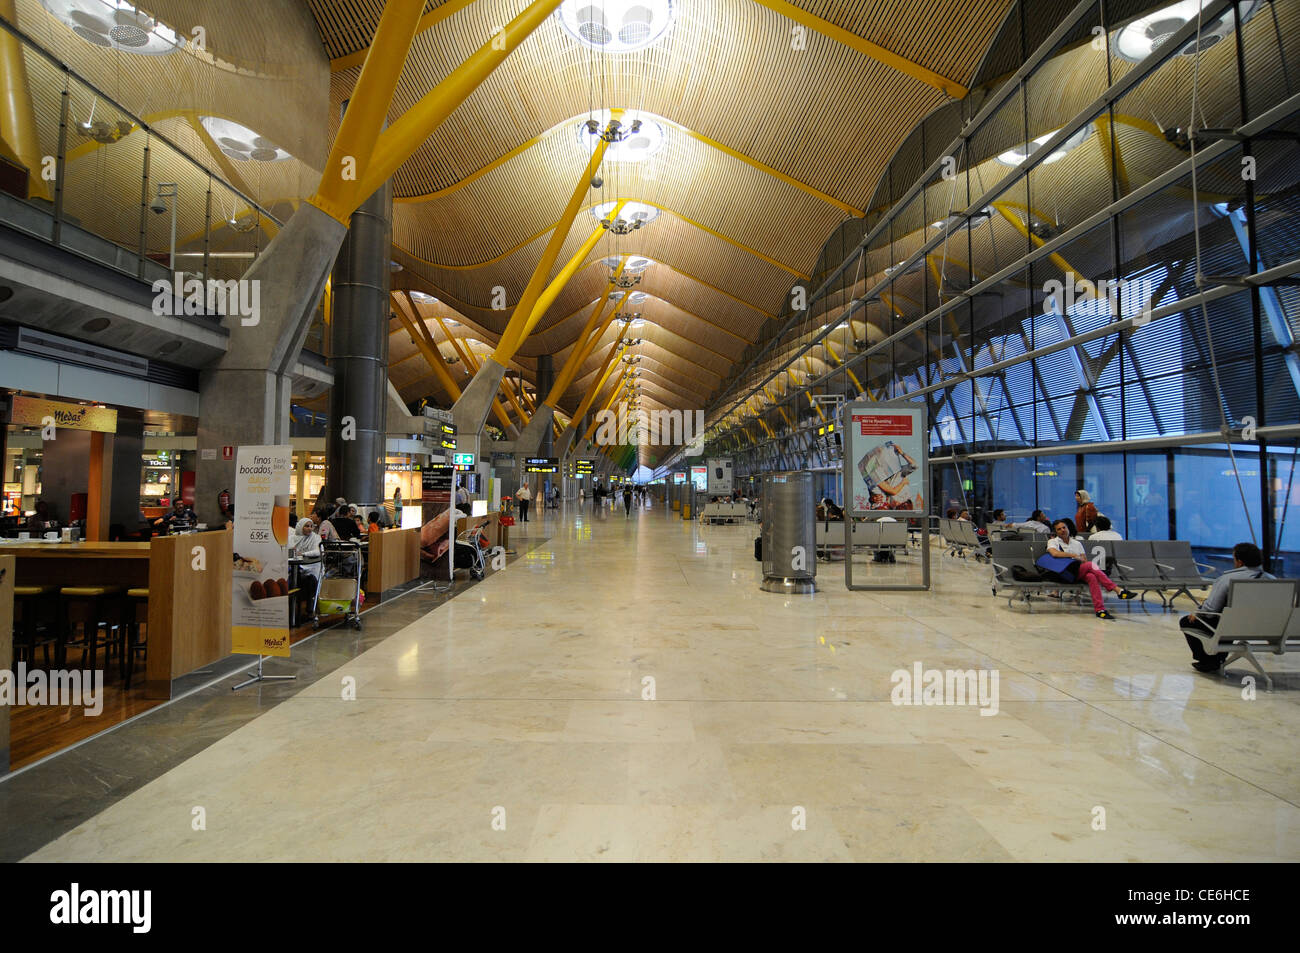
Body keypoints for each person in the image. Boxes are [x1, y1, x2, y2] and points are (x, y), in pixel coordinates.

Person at [1179, 542, 1274, 672]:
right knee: (1227, 621)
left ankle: (1208, 660)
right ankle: (1216, 659)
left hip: (1232, 627)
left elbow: (1211, 610)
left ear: (1239, 562)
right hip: (1266, 627)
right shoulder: (1272, 580)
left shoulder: (1228, 579)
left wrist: (1197, 613)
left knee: (1189, 621)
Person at [1044, 518, 1135, 619]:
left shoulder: (1077, 543)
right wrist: (1074, 556)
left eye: (1064, 527)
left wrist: (1078, 559)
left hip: (1078, 571)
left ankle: (1100, 610)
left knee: (1092, 576)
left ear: (1068, 528)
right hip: (1064, 573)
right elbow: (1054, 553)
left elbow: (1084, 560)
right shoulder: (1053, 542)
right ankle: (1117, 589)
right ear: (1056, 532)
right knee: (1091, 565)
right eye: (1059, 529)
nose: (1062, 530)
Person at [290, 518, 322, 618]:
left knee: (311, 580)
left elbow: (318, 551)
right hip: (296, 567)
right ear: (300, 527)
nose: (310, 529)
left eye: (311, 526)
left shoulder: (316, 538)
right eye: (307, 526)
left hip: (313, 566)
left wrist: (303, 553)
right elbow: (288, 550)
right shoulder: (292, 538)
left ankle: (310, 607)